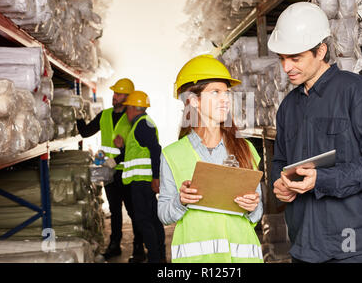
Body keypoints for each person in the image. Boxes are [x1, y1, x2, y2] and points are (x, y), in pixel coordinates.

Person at [267, 2, 362, 263]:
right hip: (304, 243)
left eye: (296, 58)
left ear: (321, 51)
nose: (286, 68)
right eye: (282, 58)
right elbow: (280, 162)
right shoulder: (287, 107)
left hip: (351, 247)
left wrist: (322, 179)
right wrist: (280, 184)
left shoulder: (358, 93)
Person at [158, 54, 264, 263]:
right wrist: (181, 201)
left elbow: (257, 212)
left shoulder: (246, 148)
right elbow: (163, 214)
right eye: (215, 93)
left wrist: (253, 207)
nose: (225, 99)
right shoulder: (172, 154)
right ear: (194, 101)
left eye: (226, 93)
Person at [76, 78, 145, 262]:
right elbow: (85, 132)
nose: (115, 97)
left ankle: (139, 248)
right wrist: (77, 115)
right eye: (114, 93)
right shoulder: (104, 115)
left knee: (133, 211)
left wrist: (115, 161)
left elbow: (135, 147)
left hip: (128, 171)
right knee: (114, 210)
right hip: (109, 172)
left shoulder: (133, 118)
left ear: (128, 97)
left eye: (119, 94)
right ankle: (114, 245)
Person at [121, 90, 166, 263]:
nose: (126, 112)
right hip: (143, 182)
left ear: (133, 108)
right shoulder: (143, 123)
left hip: (142, 183)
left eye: (127, 109)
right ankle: (159, 258)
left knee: (145, 221)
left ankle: (155, 258)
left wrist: (156, 177)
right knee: (153, 220)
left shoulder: (142, 124)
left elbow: (156, 149)